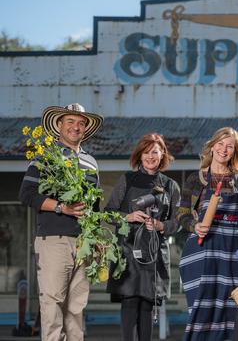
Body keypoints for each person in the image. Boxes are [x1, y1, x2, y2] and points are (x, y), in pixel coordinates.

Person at [19, 103, 104, 341]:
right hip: (54, 240)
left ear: (85, 129)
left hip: (83, 243)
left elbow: (94, 206)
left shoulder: (91, 162)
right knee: (52, 304)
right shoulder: (45, 156)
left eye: (81, 123)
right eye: (70, 122)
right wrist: (61, 207)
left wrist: (96, 239)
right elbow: (26, 195)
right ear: (59, 125)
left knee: (76, 309)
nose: (76, 127)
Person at [104, 133, 181, 341]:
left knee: (148, 303)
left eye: (154, 152)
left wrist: (160, 225)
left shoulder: (171, 186)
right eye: (146, 152)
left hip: (154, 253)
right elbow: (108, 213)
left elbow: (177, 223)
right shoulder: (127, 180)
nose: (150, 156)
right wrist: (127, 216)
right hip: (128, 250)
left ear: (162, 154)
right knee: (129, 301)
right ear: (140, 154)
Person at [177, 127, 238, 340]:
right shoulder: (196, 179)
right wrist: (194, 226)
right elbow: (181, 215)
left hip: (232, 253)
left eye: (230, 147)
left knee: (231, 309)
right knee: (202, 308)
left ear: (235, 152)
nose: (224, 150)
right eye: (220, 144)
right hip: (203, 251)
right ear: (212, 145)